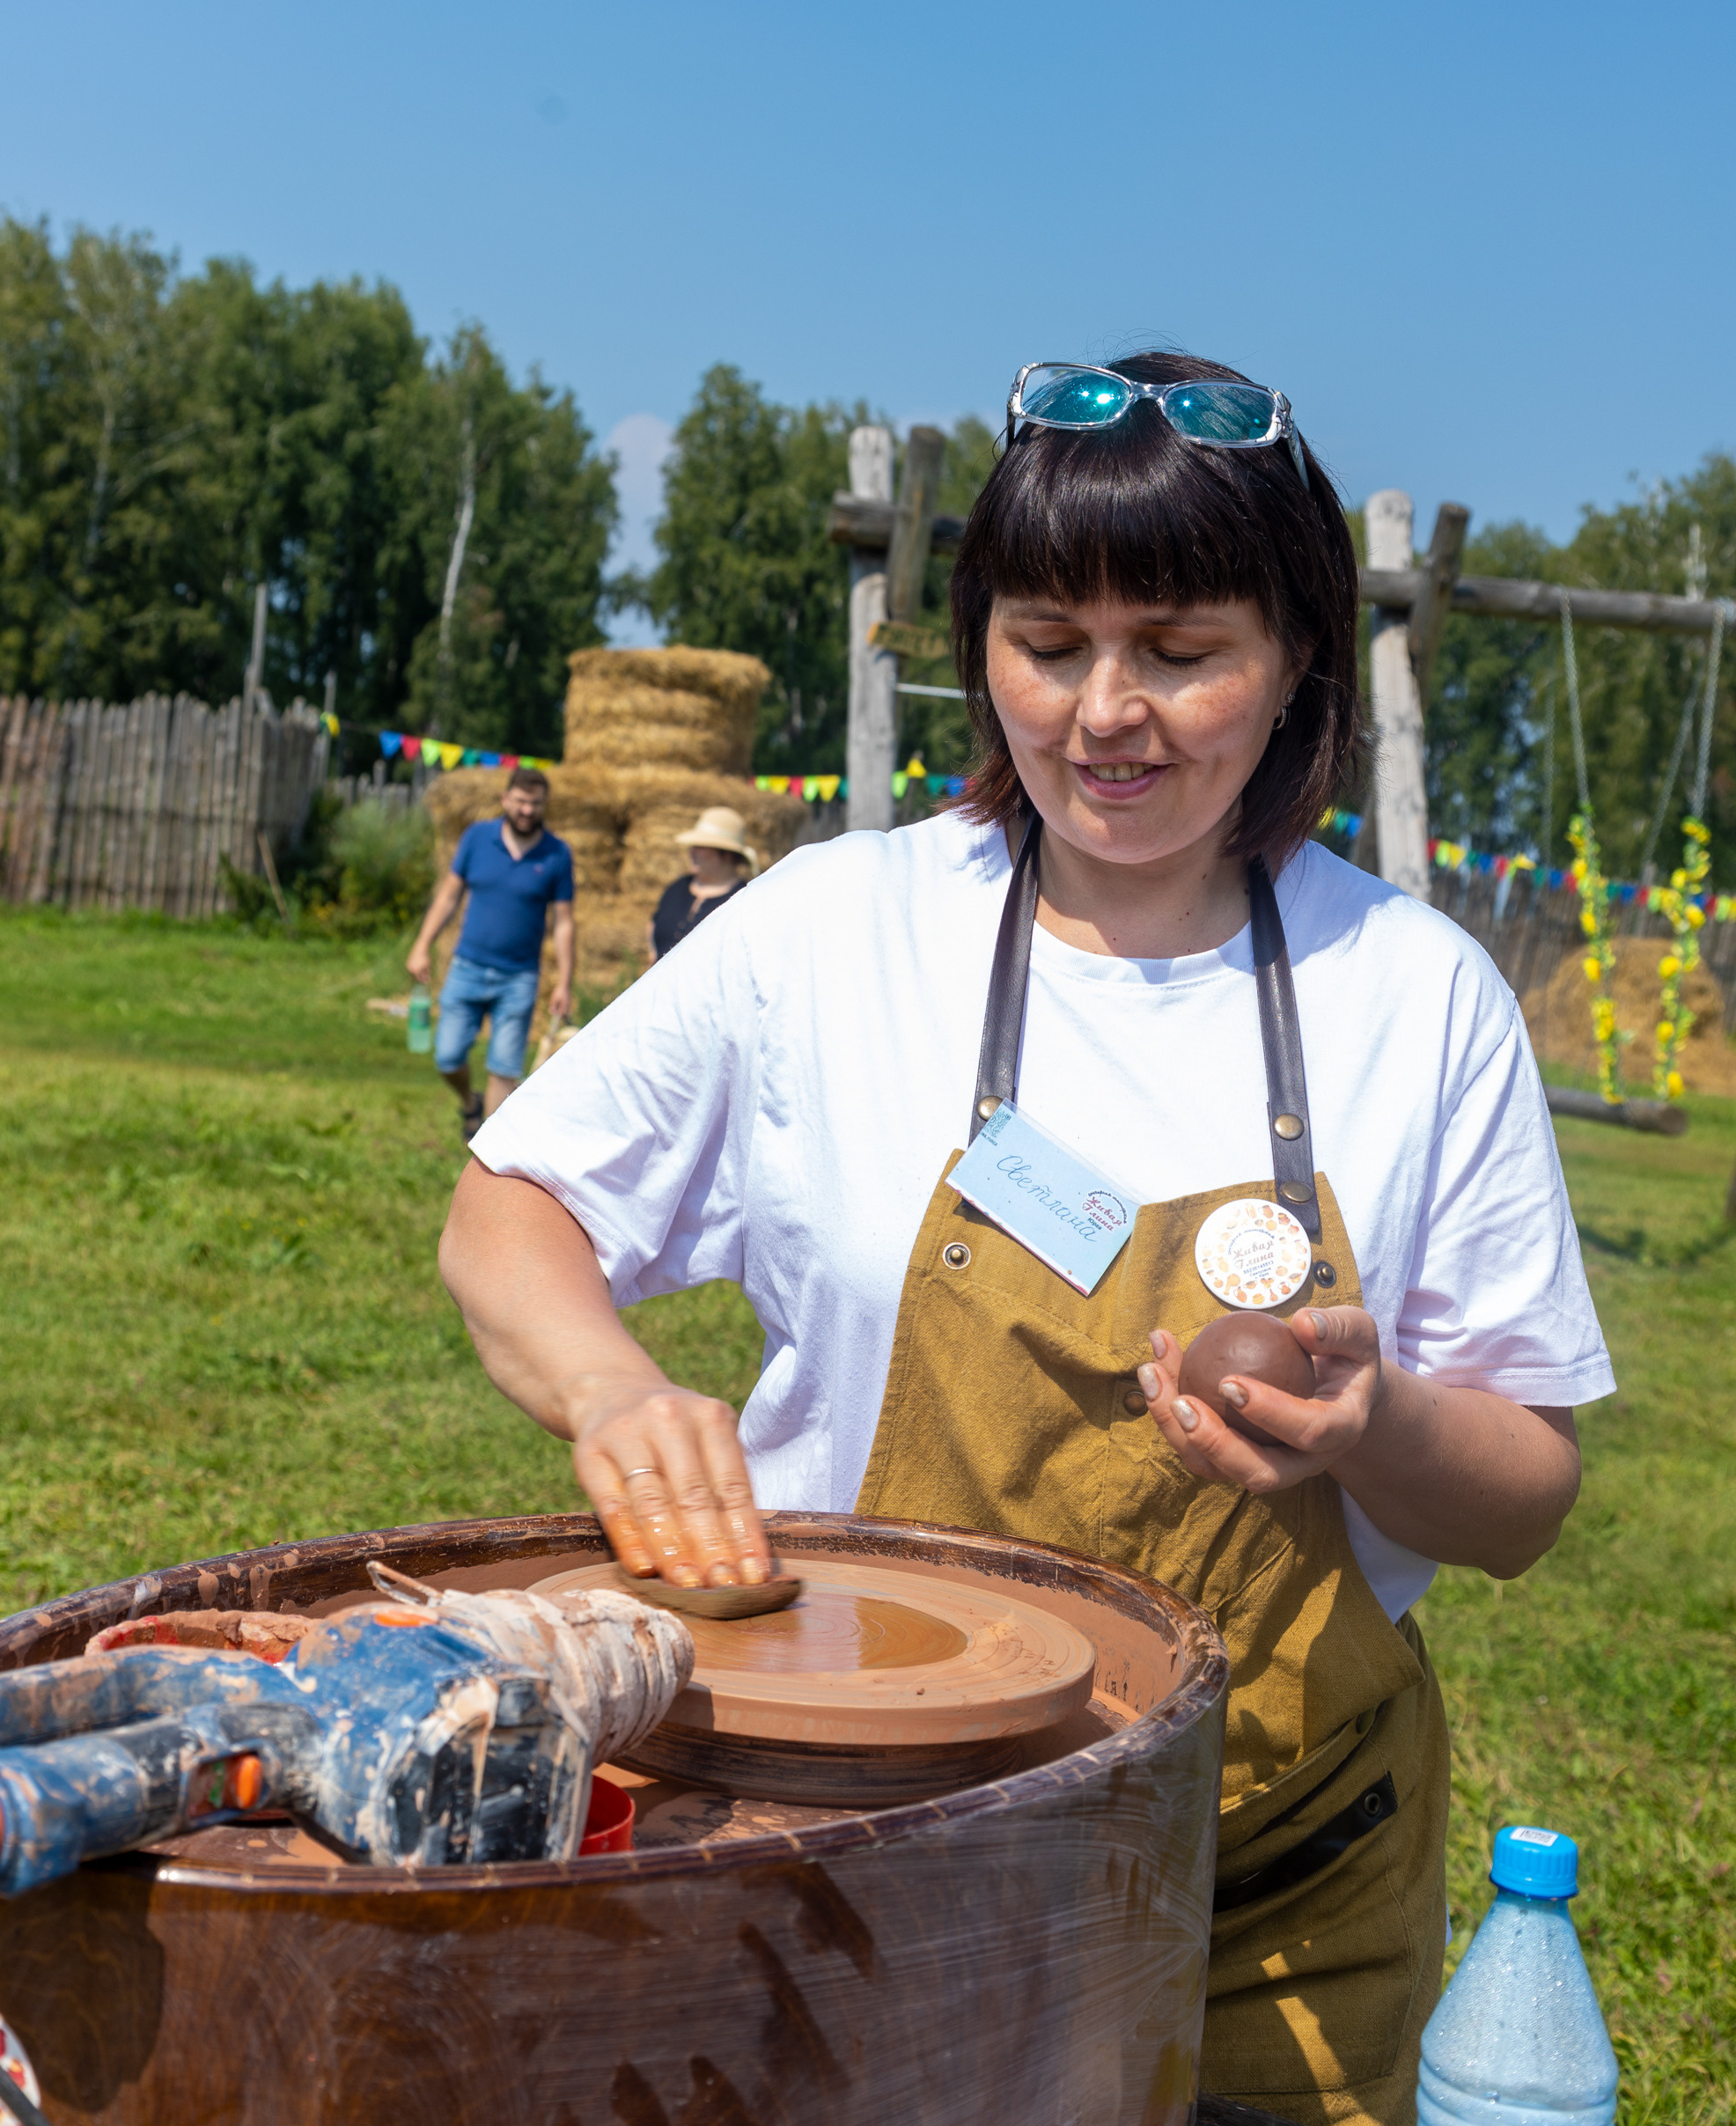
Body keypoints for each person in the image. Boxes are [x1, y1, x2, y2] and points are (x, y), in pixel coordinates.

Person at [437, 355, 1612, 2126]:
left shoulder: (1415, 998)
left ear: (1294, 655)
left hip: (1266, 1902)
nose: (1103, 714)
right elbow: (507, 1209)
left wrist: (1373, 1431)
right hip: (844, 1858)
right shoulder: (835, 935)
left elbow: (1522, 1494)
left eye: (1180, 650)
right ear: (975, 643)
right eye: (1047, 643)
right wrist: (610, 1389)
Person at [408, 766, 575, 1140]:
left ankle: (486, 1150)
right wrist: (422, 946)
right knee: (447, 1057)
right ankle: (470, 1102)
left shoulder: (557, 854)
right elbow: (449, 895)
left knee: (504, 1067)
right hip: (467, 966)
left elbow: (564, 923)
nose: (527, 811)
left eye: (535, 804)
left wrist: (565, 982)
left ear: (545, 805)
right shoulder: (477, 838)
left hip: (519, 977)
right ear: (505, 799)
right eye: (520, 802)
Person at [647, 807, 755, 964]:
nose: (692, 851)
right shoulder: (678, 887)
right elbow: (654, 923)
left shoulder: (743, 899)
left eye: (701, 847)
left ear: (726, 854)